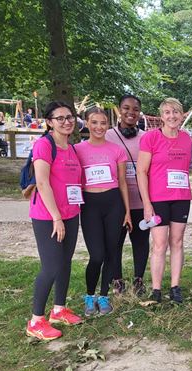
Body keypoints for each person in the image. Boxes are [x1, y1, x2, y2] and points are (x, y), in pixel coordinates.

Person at [25, 101, 83, 340]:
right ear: (49, 122)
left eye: (70, 117)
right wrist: (56, 218)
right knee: (51, 266)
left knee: (65, 262)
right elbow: (42, 182)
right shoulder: (43, 145)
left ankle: (58, 309)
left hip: (71, 213)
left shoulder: (71, 148)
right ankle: (36, 320)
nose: (67, 122)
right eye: (60, 118)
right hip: (48, 216)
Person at [137, 98, 192, 304]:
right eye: (168, 112)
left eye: (176, 112)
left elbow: (189, 166)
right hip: (158, 199)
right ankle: (156, 289)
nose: (172, 116)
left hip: (181, 198)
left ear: (182, 115)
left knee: (177, 242)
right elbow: (142, 171)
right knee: (160, 244)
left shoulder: (187, 139)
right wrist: (146, 204)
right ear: (161, 116)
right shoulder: (151, 138)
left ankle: (175, 286)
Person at [76, 107, 131, 315]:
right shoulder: (78, 149)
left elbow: (123, 183)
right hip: (90, 204)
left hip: (113, 203)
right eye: (95, 122)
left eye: (103, 123)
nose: (99, 127)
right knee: (96, 255)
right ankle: (90, 296)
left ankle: (104, 295)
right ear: (87, 124)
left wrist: (126, 211)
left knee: (111, 252)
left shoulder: (117, 150)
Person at [106, 94, 149, 296]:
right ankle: (117, 280)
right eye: (126, 108)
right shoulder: (107, 136)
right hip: (117, 201)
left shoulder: (146, 137)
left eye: (135, 109)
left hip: (141, 200)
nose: (130, 112)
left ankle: (139, 280)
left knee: (140, 242)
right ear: (119, 110)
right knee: (115, 242)